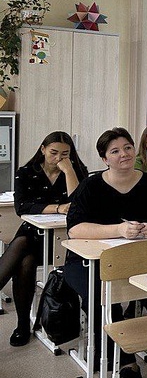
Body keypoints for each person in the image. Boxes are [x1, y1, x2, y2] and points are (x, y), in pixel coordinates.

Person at [65, 127, 147, 378]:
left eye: (127, 148)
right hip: (87, 262)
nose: (124, 154)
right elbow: (74, 228)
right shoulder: (91, 185)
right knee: (102, 298)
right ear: (104, 159)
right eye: (115, 151)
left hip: (139, 258)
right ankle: (127, 363)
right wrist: (118, 230)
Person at [0, 132, 88, 346]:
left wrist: (69, 171)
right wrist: (57, 208)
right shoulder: (26, 172)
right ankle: (22, 325)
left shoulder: (77, 172)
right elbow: (22, 207)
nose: (58, 158)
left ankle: (22, 326)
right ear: (43, 149)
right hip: (31, 234)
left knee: (25, 258)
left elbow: (79, 203)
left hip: (63, 239)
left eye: (65, 154)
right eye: (53, 152)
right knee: (25, 257)